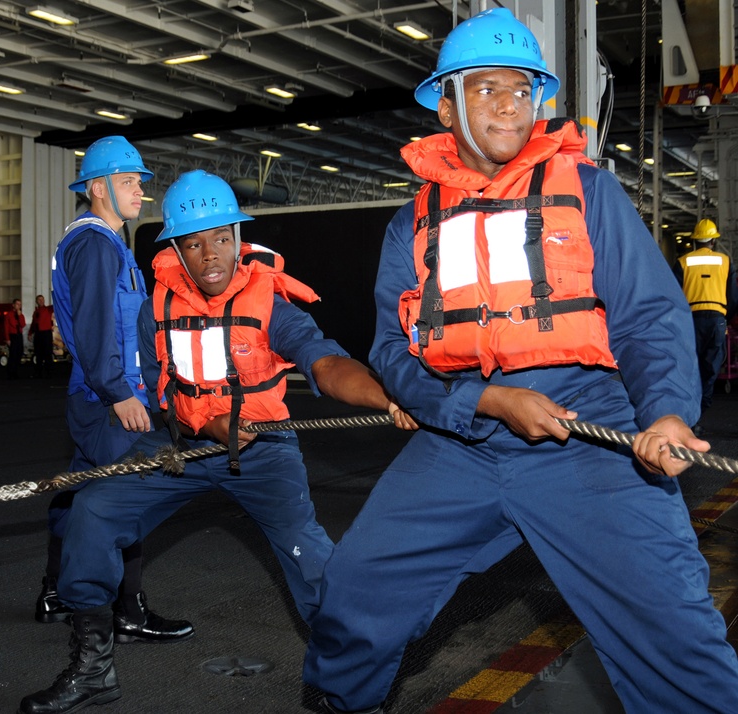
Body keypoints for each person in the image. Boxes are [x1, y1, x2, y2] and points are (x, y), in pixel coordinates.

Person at [302, 9, 738, 714]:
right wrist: (481, 402)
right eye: (486, 88)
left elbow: (650, 316)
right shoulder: (411, 223)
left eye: (523, 88)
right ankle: (343, 701)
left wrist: (665, 412)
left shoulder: (588, 192)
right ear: (446, 105)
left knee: (674, 631)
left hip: (591, 435)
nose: (510, 103)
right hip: (461, 438)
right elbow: (392, 351)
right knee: (357, 586)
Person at [18, 169, 416, 714]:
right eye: (194, 242)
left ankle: (350, 676)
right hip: (183, 447)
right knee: (92, 513)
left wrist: (388, 397)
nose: (210, 255)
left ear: (238, 239)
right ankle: (92, 668)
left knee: (314, 562)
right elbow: (160, 392)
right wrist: (198, 422)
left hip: (263, 452)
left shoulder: (270, 303)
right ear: (177, 250)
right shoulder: (156, 310)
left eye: (221, 238)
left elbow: (325, 365)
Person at [33, 136, 192, 647]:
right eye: (128, 182)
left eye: (140, 182)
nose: (139, 191)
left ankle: (55, 591)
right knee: (126, 501)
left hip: (96, 395)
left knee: (82, 493)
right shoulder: (97, 244)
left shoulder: (102, 242)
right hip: (109, 400)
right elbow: (99, 326)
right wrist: (120, 393)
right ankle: (126, 611)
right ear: (97, 188)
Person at [673, 217, 737, 422]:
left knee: (691, 365)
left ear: (694, 241)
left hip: (691, 320)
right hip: (717, 319)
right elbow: (733, 297)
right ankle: (701, 409)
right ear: (713, 241)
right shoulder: (726, 262)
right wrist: (726, 319)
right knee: (711, 367)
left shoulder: (683, 262)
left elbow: (673, 295)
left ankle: (690, 411)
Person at [29, 294, 55, 378]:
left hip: (46, 334)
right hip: (38, 334)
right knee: (38, 354)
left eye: (42, 299)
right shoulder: (36, 312)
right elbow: (33, 324)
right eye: (39, 300)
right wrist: (30, 333)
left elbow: (57, 304)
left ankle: (49, 372)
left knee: (48, 353)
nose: (41, 301)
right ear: (37, 301)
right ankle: (38, 372)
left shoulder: (48, 309)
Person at [5, 297, 26, 379]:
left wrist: (19, 316)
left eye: (20, 304)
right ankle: (11, 372)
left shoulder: (21, 315)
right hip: (12, 336)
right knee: (13, 355)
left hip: (19, 335)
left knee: (19, 353)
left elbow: (23, 325)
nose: (18, 306)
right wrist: (7, 339)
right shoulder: (9, 315)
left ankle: (15, 371)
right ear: (13, 305)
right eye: (17, 304)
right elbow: (6, 327)